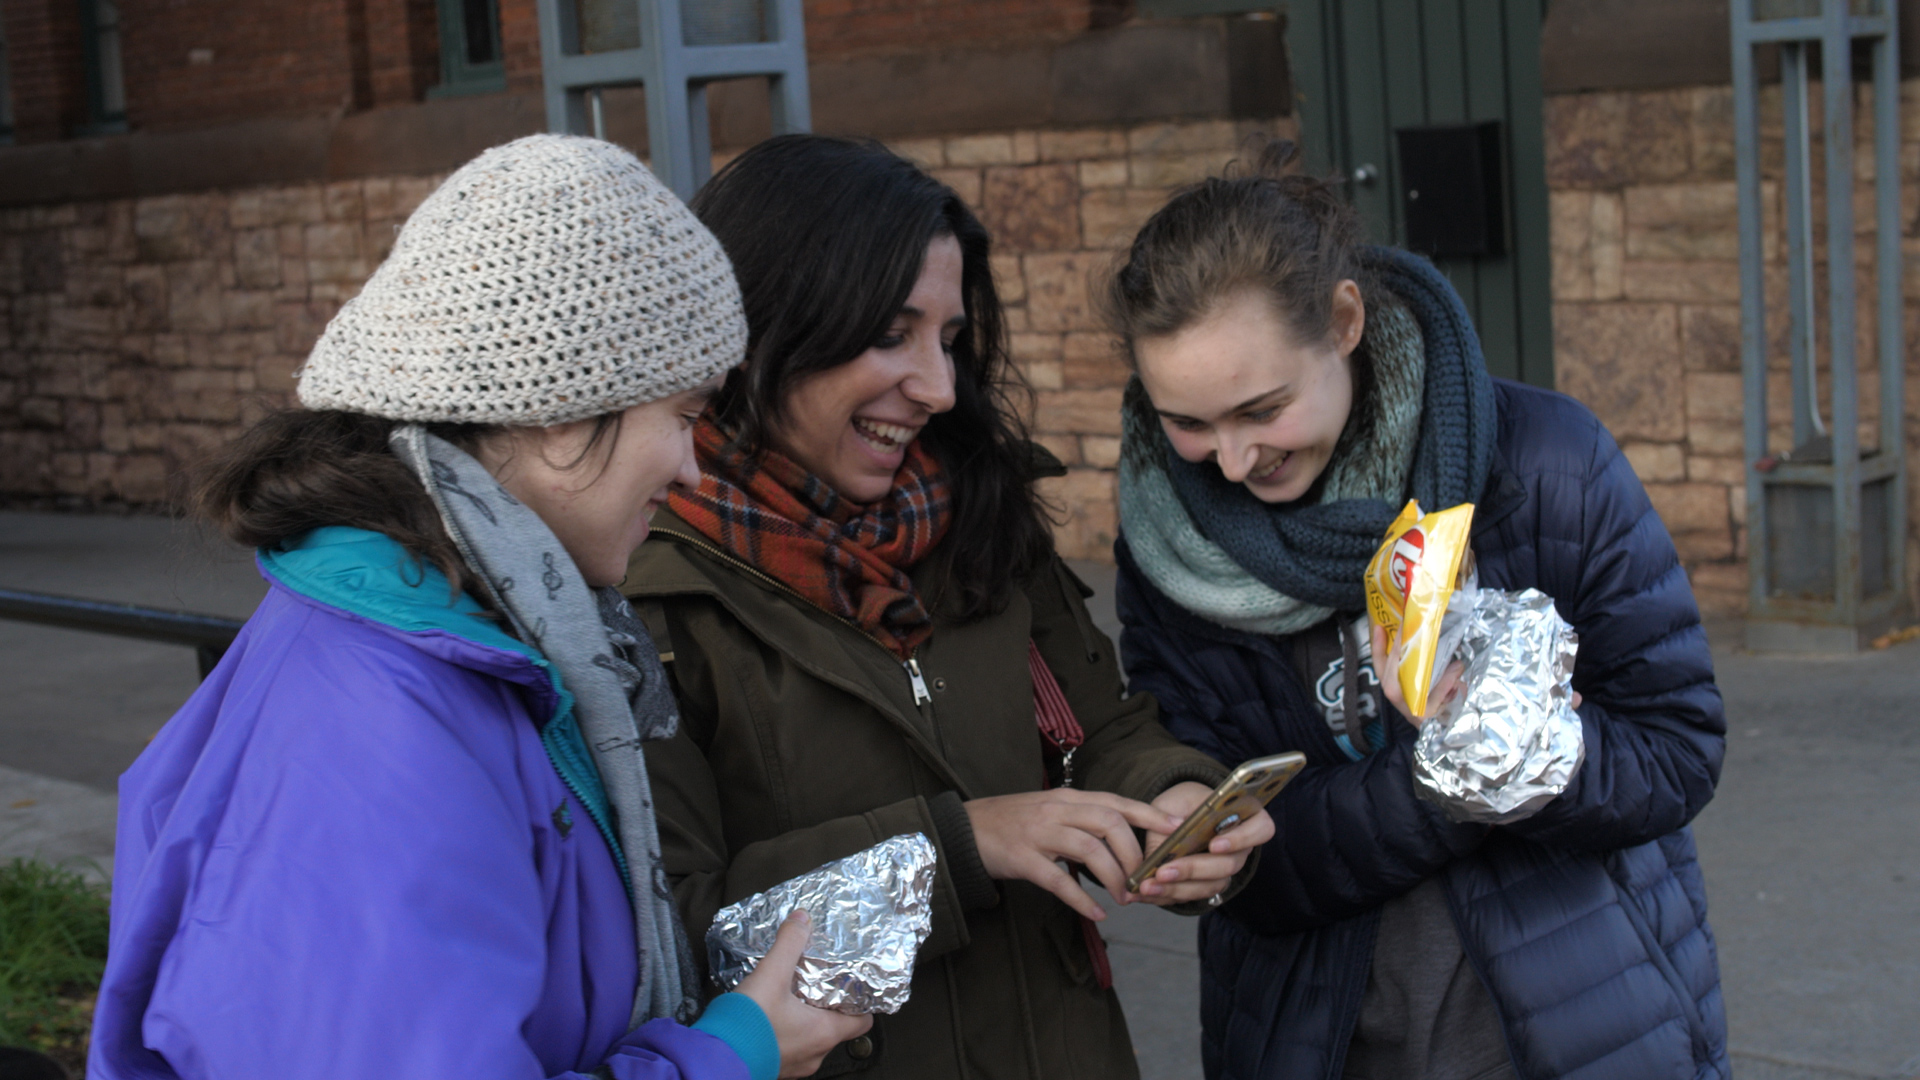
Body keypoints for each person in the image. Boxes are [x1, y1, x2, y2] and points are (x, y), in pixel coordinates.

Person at [88, 135, 870, 1080]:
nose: (691, 465)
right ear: (563, 408)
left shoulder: (454, 648)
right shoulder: (381, 721)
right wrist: (732, 1055)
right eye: (685, 414)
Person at [618, 134, 1275, 1080]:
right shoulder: (652, 595)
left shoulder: (982, 512)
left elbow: (1101, 731)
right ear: (765, 326)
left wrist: (1171, 802)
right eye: (890, 335)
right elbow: (683, 928)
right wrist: (959, 847)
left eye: (951, 341)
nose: (935, 387)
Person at [1103, 141, 1729, 1080]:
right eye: (1187, 424)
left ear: (1343, 319)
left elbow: (1677, 752)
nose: (1232, 464)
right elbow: (1258, 871)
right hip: (1310, 1038)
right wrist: (1449, 779)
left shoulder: (1547, 463)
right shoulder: (1167, 550)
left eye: (1262, 408)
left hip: (1589, 1021)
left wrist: (1524, 749)